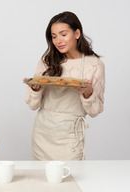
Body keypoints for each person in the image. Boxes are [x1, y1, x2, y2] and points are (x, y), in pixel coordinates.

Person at [24, 11, 105, 160]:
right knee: (43, 180)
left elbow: (95, 111)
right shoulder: (46, 61)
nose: (58, 41)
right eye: (54, 36)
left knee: (70, 179)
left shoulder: (94, 65)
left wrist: (88, 92)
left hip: (70, 136)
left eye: (63, 34)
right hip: (43, 133)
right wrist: (35, 89)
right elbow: (32, 105)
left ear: (77, 33)